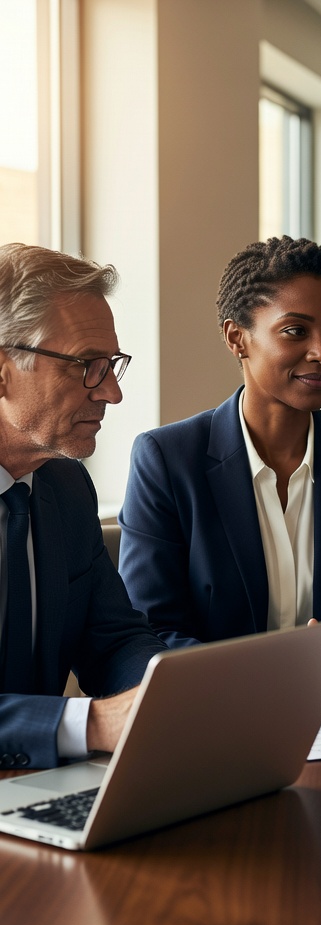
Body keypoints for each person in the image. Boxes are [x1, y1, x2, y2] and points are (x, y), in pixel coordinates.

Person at [118, 237, 321, 705]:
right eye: (296, 331)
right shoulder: (167, 458)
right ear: (237, 338)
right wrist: (275, 680)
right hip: (219, 718)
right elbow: (151, 631)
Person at [0, 243, 166, 769]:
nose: (112, 393)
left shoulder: (67, 489)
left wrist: (166, 697)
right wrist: (95, 722)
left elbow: (113, 639)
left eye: (112, 365)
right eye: (85, 366)